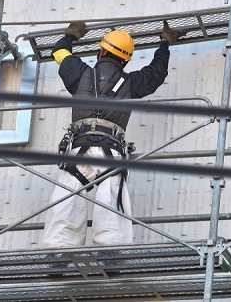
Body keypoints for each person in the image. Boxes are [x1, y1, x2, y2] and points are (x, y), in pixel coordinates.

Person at [41, 20, 186, 247]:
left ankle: (58, 250)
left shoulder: (80, 74)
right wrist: (164, 43)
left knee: (68, 196)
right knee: (110, 197)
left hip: (79, 148)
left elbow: (59, 52)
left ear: (100, 52)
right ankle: (110, 248)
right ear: (126, 60)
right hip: (112, 150)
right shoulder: (130, 83)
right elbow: (157, 73)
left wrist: (71, 34)